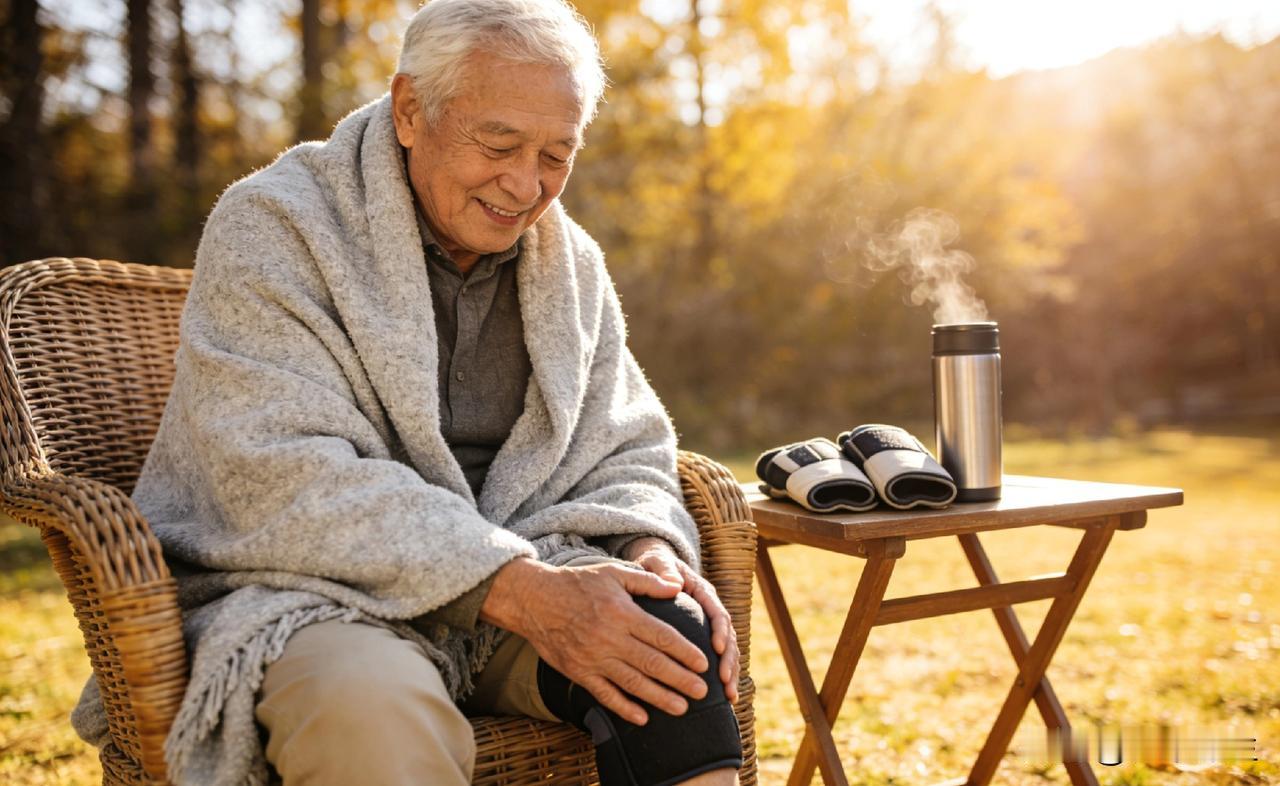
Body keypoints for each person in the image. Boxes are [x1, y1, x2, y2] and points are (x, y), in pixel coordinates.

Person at [70, 0, 742, 784]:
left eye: (557, 154)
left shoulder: (571, 264)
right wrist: (518, 590)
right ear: (410, 110)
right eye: (499, 144)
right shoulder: (274, 224)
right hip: (317, 591)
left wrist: (646, 547)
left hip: (524, 583)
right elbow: (281, 472)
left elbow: (624, 445)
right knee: (370, 706)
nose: (526, 185)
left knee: (669, 650)